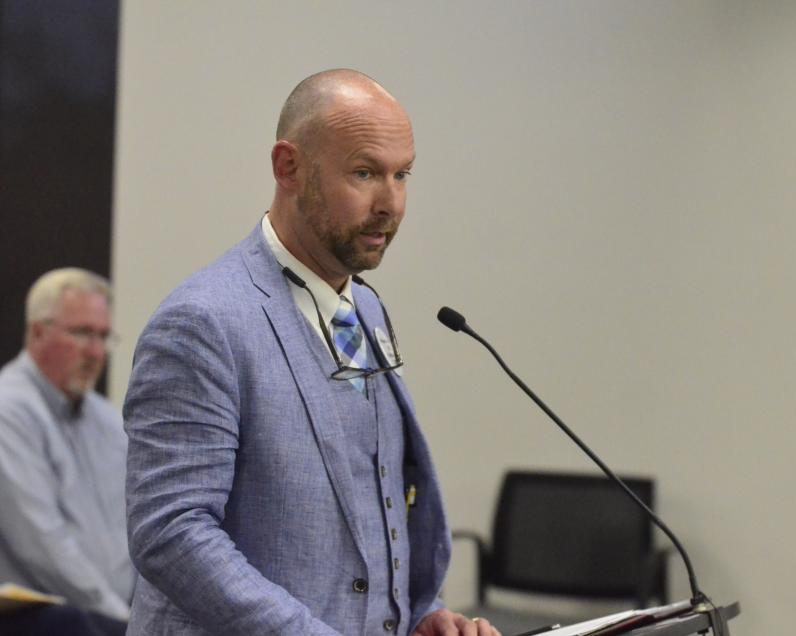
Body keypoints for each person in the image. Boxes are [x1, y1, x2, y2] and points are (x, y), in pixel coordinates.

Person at [124, 70, 499, 636]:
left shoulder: (365, 311)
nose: (390, 203)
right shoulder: (202, 321)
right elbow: (171, 531)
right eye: (365, 172)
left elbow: (374, 505)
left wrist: (417, 615)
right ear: (288, 167)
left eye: (403, 175)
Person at [0, 268, 132, 636]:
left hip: (111, 617)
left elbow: (138, 527)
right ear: (38, 333)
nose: (95, 352)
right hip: (42, 621)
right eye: (81, 333)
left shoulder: (108, 421)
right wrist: (126, 622)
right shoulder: (8, 411)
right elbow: (43, 545)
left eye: (103, 336)